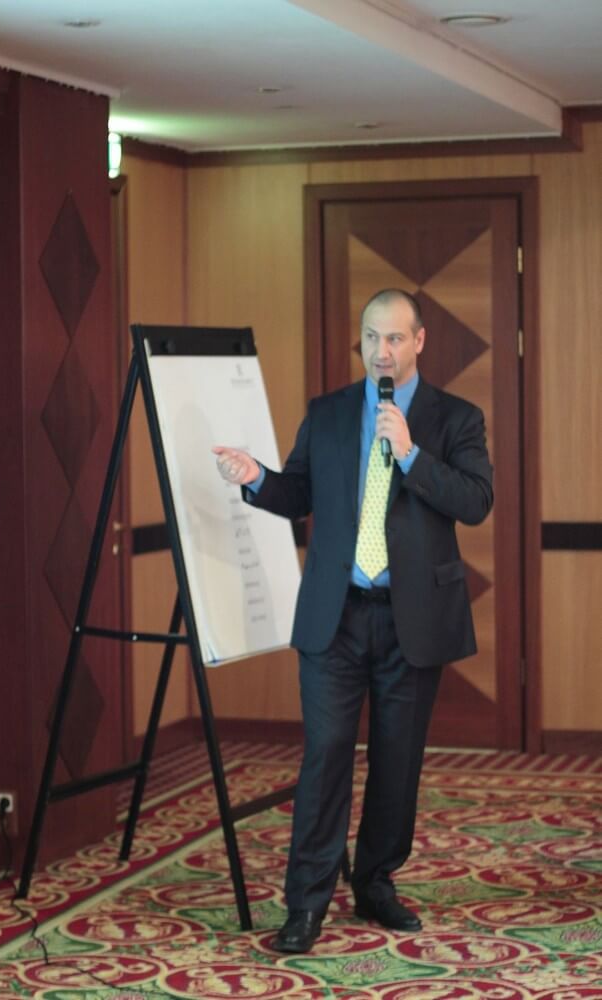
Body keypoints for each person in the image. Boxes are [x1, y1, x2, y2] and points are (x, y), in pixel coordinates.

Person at [213, 288, 493, 953]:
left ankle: (374, 883)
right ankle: (306, 904)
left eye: (394, 338)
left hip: (410, 621)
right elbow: (299, 492)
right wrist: (257, 478)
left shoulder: (456, 418)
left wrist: (412, 455)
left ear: (419, 341)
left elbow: (476, 500)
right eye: (371, 337)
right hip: (335, 618)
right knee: (326, 754)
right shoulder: (330, 412)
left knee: (397, 762)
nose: (381, 351)